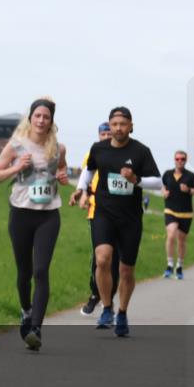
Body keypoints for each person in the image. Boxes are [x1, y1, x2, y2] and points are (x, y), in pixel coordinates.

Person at [72, 107, 161, 337]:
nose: (118, 128)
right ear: (109, 126)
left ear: (131, 125)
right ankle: (107, 308)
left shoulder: (141, 151)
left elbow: (157, 182)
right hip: (104, 213)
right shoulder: (99, 148)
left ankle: (122, 312)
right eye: (114, 124)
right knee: (102, 259)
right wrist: (81, 189)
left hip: (130, 218)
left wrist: (136, 179)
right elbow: (89, 169)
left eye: (123, 124)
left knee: (126, 270)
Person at [0, 98, 68, 351]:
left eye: (46, 117)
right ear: (30, 118)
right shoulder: (16, 146)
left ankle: (36, 328)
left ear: (51, 121)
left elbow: (62, 172)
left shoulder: (58, 148)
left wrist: (64, 177)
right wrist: (15, 168)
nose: (42, 120)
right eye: (38, 116)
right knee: (24, 273)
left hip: (48, 215)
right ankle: (26, 310)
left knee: (41, 270)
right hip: (21, 214)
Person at [69, 122, 120, 316]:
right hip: (96, 211)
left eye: (110, 133)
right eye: (104, 133)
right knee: (99, 258)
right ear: (99, 135)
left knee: (115, 260)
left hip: (120, 213)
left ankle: (109, 299)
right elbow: (86, 178)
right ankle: (95, 294)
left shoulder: (123, 153)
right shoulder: (93, 154)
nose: (107, 136)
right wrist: (81, 194)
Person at [161, 151, 194, 279]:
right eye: (177, 159)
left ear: (186, 160)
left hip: (186, 213)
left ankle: (179, 266)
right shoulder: (167, 173)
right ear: (174, 159)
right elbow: (161, 185)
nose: (180, 161)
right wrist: (163, 192)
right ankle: (169, 265)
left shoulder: (191, 176)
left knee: (181, 241)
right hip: (170, 210)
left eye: (182, 159)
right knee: (171, 234)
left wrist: (189, 190)